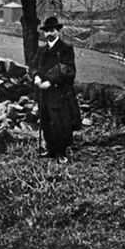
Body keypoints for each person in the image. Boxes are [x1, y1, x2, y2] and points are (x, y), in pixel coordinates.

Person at [32, 16, 79, 160]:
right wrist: (36, 77)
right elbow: (33, 66)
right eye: (46, 32)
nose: (49, 34)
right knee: (46, 121)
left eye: (52, 30)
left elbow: (69, 71)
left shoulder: (66, 49)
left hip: (59, 93)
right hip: (43, 93)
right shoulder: (42, 50)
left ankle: (61, 153)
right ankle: (50, 149)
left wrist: (51, 82)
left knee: (60, 123)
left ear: (58, 31)